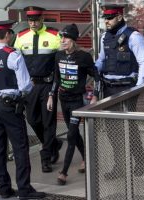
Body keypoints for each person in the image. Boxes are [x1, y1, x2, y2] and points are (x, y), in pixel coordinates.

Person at [0, 20, 46, 199]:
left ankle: (4, 188)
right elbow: (25, 85)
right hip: (9, 105)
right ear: (8, 35)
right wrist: (30, 86)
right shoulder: (13, 54)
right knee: (20, 147)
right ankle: (24, 190)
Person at [95, 4, 144, 179]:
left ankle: (140, 160)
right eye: (105, 18)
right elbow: (101, 61)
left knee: (129, 126)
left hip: (127, 88)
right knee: (112, 130)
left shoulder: (133, 36)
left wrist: (138, 88)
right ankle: (120, 166)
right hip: (109, 87)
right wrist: (91, 71)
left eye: (109, 18)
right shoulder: (105, 37)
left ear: (119, 17)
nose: (106, 21)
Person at [46, 24, 100, 185]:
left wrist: (95, 96)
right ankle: (86, 158)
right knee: (74, 134)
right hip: (64, 99)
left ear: (74, 40)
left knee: (70, 135)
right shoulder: (58, 55)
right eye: (61, 38)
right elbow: (56, 78)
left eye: (66, 38)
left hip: (77, 101)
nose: (62, 41)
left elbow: (97, 77)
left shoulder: (84, 57)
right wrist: (51, 96)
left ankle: (64, 173)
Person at [14, 6, 63, 173]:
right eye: (30, 20)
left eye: (36, 19)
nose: (33, 23)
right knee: (33, 120)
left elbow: (61, 62)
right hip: (30, 85)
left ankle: (46, 157)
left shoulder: (55, 35)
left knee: (49, 122)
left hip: (48, 84)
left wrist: (57, 86)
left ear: (42, 19)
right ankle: (54, 144)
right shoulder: (20, 37)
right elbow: (16, 62)